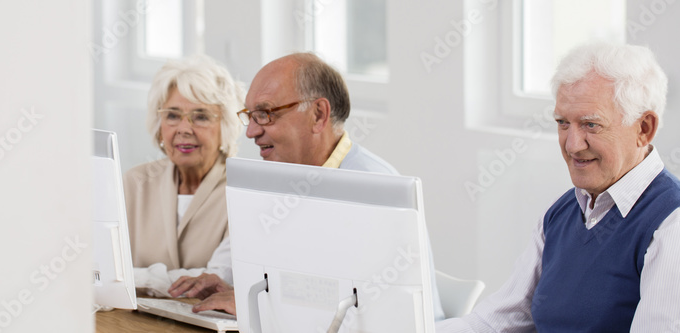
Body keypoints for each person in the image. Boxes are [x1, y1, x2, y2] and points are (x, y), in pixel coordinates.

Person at [436, 42, 680, 332]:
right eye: (563, 123)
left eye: (591, 125)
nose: (573, 145)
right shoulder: (562, 212)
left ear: (644, 129)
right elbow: (495, 321)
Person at [169, 52, 445, 321]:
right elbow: (281, 277)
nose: (251, 132)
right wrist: (226, 282)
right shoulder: (283, 179)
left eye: (265, 114)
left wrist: (265, 307)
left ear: (318, 115)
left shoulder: (377, 190)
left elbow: (385, 316)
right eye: (250, 116)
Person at [123, 55, 244, 294]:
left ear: (226, 126)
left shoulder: (242, 191)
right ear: (159, 125)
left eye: (201, 116)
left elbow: (222, 277)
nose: (184, 129)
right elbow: (101, 269)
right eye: (173, 115)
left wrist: (135, 278)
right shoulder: (134, 183)